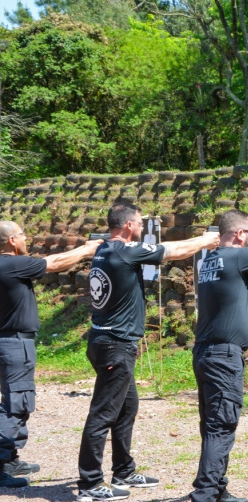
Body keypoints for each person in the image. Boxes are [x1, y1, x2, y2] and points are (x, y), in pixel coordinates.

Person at [77, 203, 219, 501]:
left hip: (107, 341)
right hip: (116, 344)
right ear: (129, 225)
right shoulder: (125, 250)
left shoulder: (104, 249)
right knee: (103, 414)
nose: (142, 227)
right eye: (140, 223)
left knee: (127, 407)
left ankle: (123, 470)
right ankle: (89, 483)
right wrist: (206, 240)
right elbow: (173, 251)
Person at [0, 222, 102, 489]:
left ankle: (9, 459)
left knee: (16, 401)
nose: (26, 238)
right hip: (15, 344)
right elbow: (55, 263)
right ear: (11, 240)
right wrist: (87, 249)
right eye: (22, 234)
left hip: (7, 342)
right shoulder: (12, 264)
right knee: (16, 404)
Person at [191, 210, 248, 502]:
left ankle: (217, 489)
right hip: (223, 357)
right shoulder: (237, 256)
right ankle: (205, 493)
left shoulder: (210, 260)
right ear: (240, 234)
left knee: (213, 425)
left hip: (206, 352)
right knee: (222, 425)